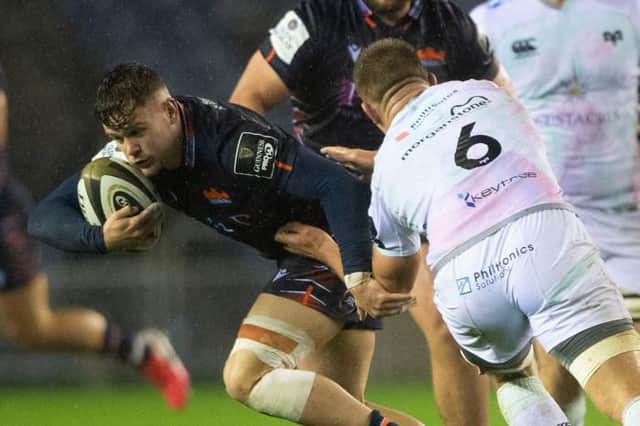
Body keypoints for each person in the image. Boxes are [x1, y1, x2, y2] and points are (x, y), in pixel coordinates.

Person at [28, 63, 423, 426]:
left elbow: (337, 185)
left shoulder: (235, 144)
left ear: (168, 111)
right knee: (343, 410)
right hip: (313, 254)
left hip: (338, 243)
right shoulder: (133, 159)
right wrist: (102, 238)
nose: (128, 148)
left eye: (136, 132)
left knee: (246, 375)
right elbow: (43, 217)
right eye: (118, 137)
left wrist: (354, 275)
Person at [229, 1, 513, 423]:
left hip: (416, 200)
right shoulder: (316, 18)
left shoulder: (451, 22)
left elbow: (504, 106)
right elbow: (246, 101)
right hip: (329, 212)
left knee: (451, 320)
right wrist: (270, 188)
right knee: (337, 406)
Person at [344, 37, 640, 425]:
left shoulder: (385, 169)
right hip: (542, 236)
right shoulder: (486, 92)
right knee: (621, 386)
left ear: (368, 110)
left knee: (512, 375)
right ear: (429, 79)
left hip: (465, 276)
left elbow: (395, 281)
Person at [468, 1, 640, 424]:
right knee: (562, 365)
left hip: (626, 216)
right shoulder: (486, 23)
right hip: (544, 214)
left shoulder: (628, 11)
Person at [0, 64, 189, 410]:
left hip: (2, 214)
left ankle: (144, 353)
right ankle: (142, 351)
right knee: (29, 332)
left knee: (34, 329)